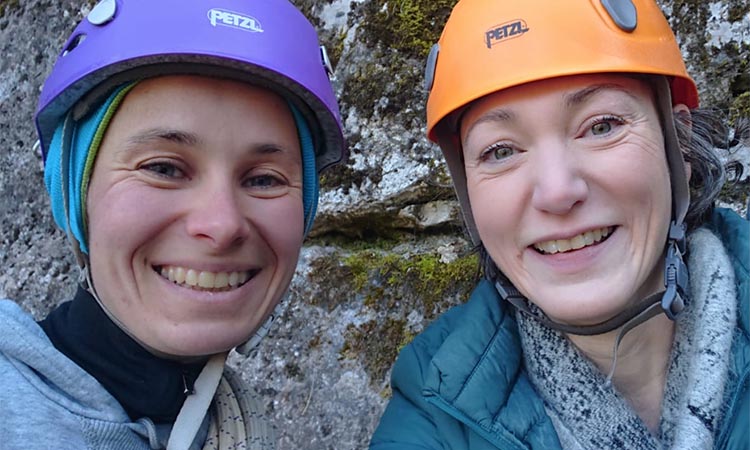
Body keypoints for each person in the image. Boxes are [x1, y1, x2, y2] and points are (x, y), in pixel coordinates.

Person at [370, 0, 748, 449]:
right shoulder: (434, 406)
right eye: (501, 151)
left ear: (679, 146)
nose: (556, 192)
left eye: (601, 126)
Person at [0, 0, 344, 448]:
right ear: (73, 193)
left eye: (263, 179)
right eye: (163, 168)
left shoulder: (236, 426)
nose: (221, 225)